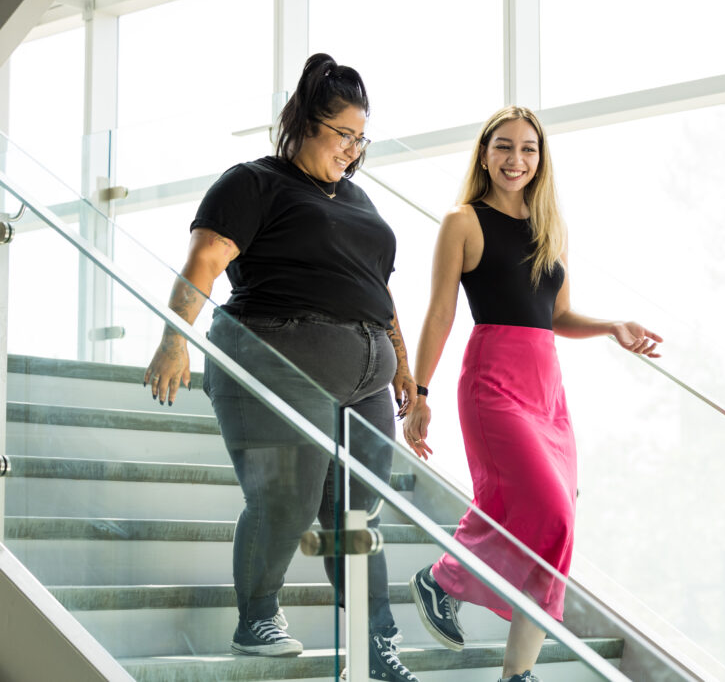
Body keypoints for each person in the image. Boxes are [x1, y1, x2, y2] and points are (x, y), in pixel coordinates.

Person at [143, 53, 419, 681]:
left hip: (367, 379)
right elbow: (205, 262)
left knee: (358, 515)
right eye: (341, 133)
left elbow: (376, 286)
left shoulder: (360, 200)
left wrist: (402, 363)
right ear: (301, 122)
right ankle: (257, 617)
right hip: (272, 358)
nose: (352, 149)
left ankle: (372, 641)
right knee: (285, 501)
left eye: (360, 137)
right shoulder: (253, 182)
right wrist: (173, 341)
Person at [401, 105, 662, 682]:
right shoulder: (462, 221)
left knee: (557, 522)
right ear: (484, 153)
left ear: (541, 160)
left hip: (548, 389)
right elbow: (441, 312)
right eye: (504, 146)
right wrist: (419, 392)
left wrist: (612, 326)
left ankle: (516, 674)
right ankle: (442, 578)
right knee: (546, 508)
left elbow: (556, 314)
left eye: (528, 149)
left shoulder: (551, 229)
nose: (516, 159)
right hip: (492, 382)